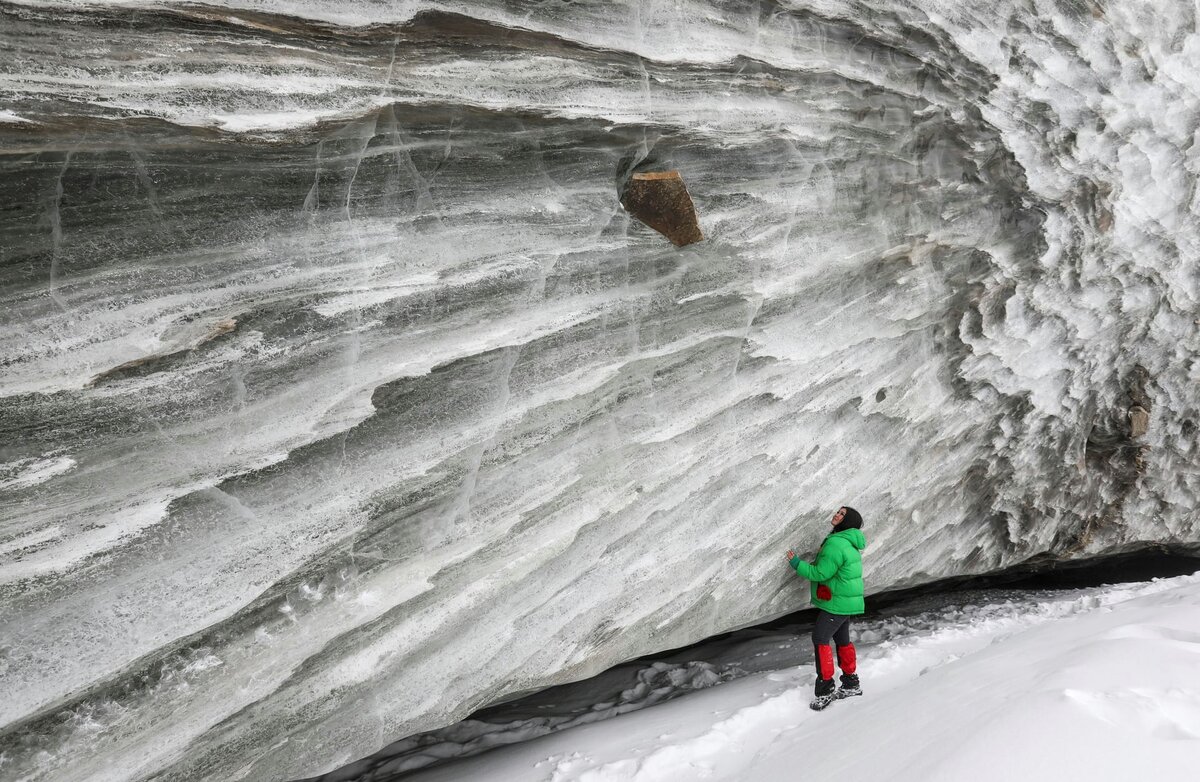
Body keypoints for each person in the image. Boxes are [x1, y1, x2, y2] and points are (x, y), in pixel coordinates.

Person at [786, 506, 867, 711]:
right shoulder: (848, 542)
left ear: (847, 522)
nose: (836, 515)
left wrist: (796, 563)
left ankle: (825, 690)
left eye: (842, 515)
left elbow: (820, 573)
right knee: (842, 640)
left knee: (820, 639)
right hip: (844, 601)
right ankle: (851, 683)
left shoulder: (836, 544)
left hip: (838, 603)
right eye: (838, 512)